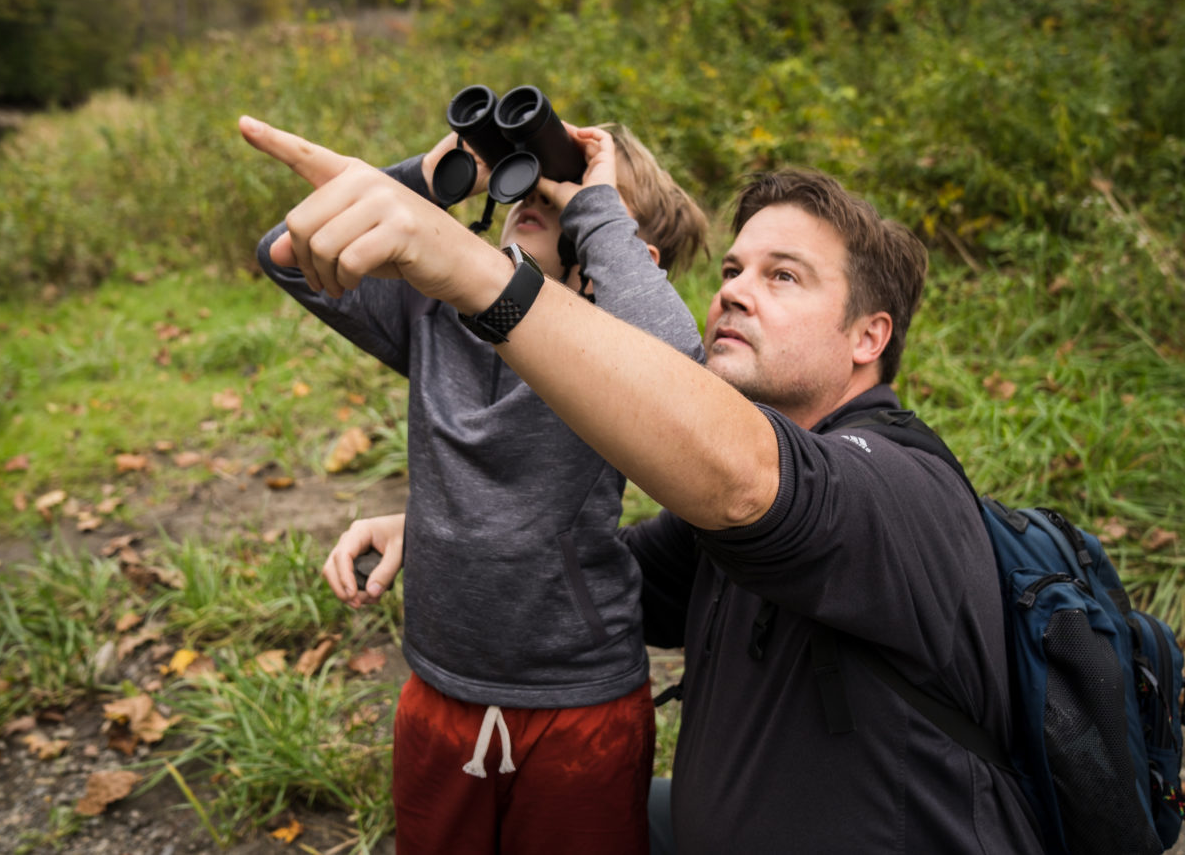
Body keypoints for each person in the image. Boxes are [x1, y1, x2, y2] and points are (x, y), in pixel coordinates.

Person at [238, 117, 1045, 853]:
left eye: (785, 277)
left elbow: (737, 467)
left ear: (871, 335)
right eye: (732, 268)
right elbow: (596, 565)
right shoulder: (722, 527)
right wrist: (437, 526)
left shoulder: (898, 486)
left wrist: (526, 245)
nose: (731, 290)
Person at [253, 115, 708, 855]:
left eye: (567, 197)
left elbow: (680, 370)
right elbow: (285, 256)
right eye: (530, 179)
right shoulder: (434, 316)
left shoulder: (615, 357)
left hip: (578, 699)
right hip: (441, 686)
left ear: (616, 250)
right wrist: (421, 181)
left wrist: (597, 206)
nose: (540, 194)